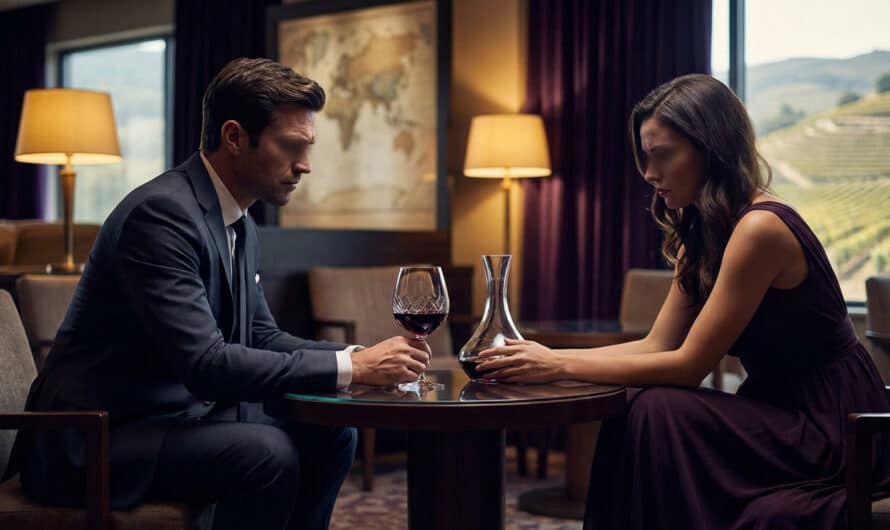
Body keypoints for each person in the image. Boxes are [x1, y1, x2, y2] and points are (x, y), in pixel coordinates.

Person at [5, 57, 431, 530]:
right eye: (291, 146)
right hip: (96, 436)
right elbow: (206, 365)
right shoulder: (161, 215)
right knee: (267, 454)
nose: (305, 166)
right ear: (234, 137)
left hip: (170, 418)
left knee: (331, 435)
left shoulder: (240, 221)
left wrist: (359, 357)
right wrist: (354, 368)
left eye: (307, 147)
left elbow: (262, 336)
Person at [477, 73, 890, 529]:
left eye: (662, 156)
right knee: (635, 401)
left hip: (832, 425)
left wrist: (558, 366)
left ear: (711, 148)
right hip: (775, 414)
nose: (649, 175)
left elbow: (688, 365)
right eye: (645, 157)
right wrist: (547, 357)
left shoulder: (761, 228)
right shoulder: (702, 231)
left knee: (659, 408)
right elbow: (657, 345)